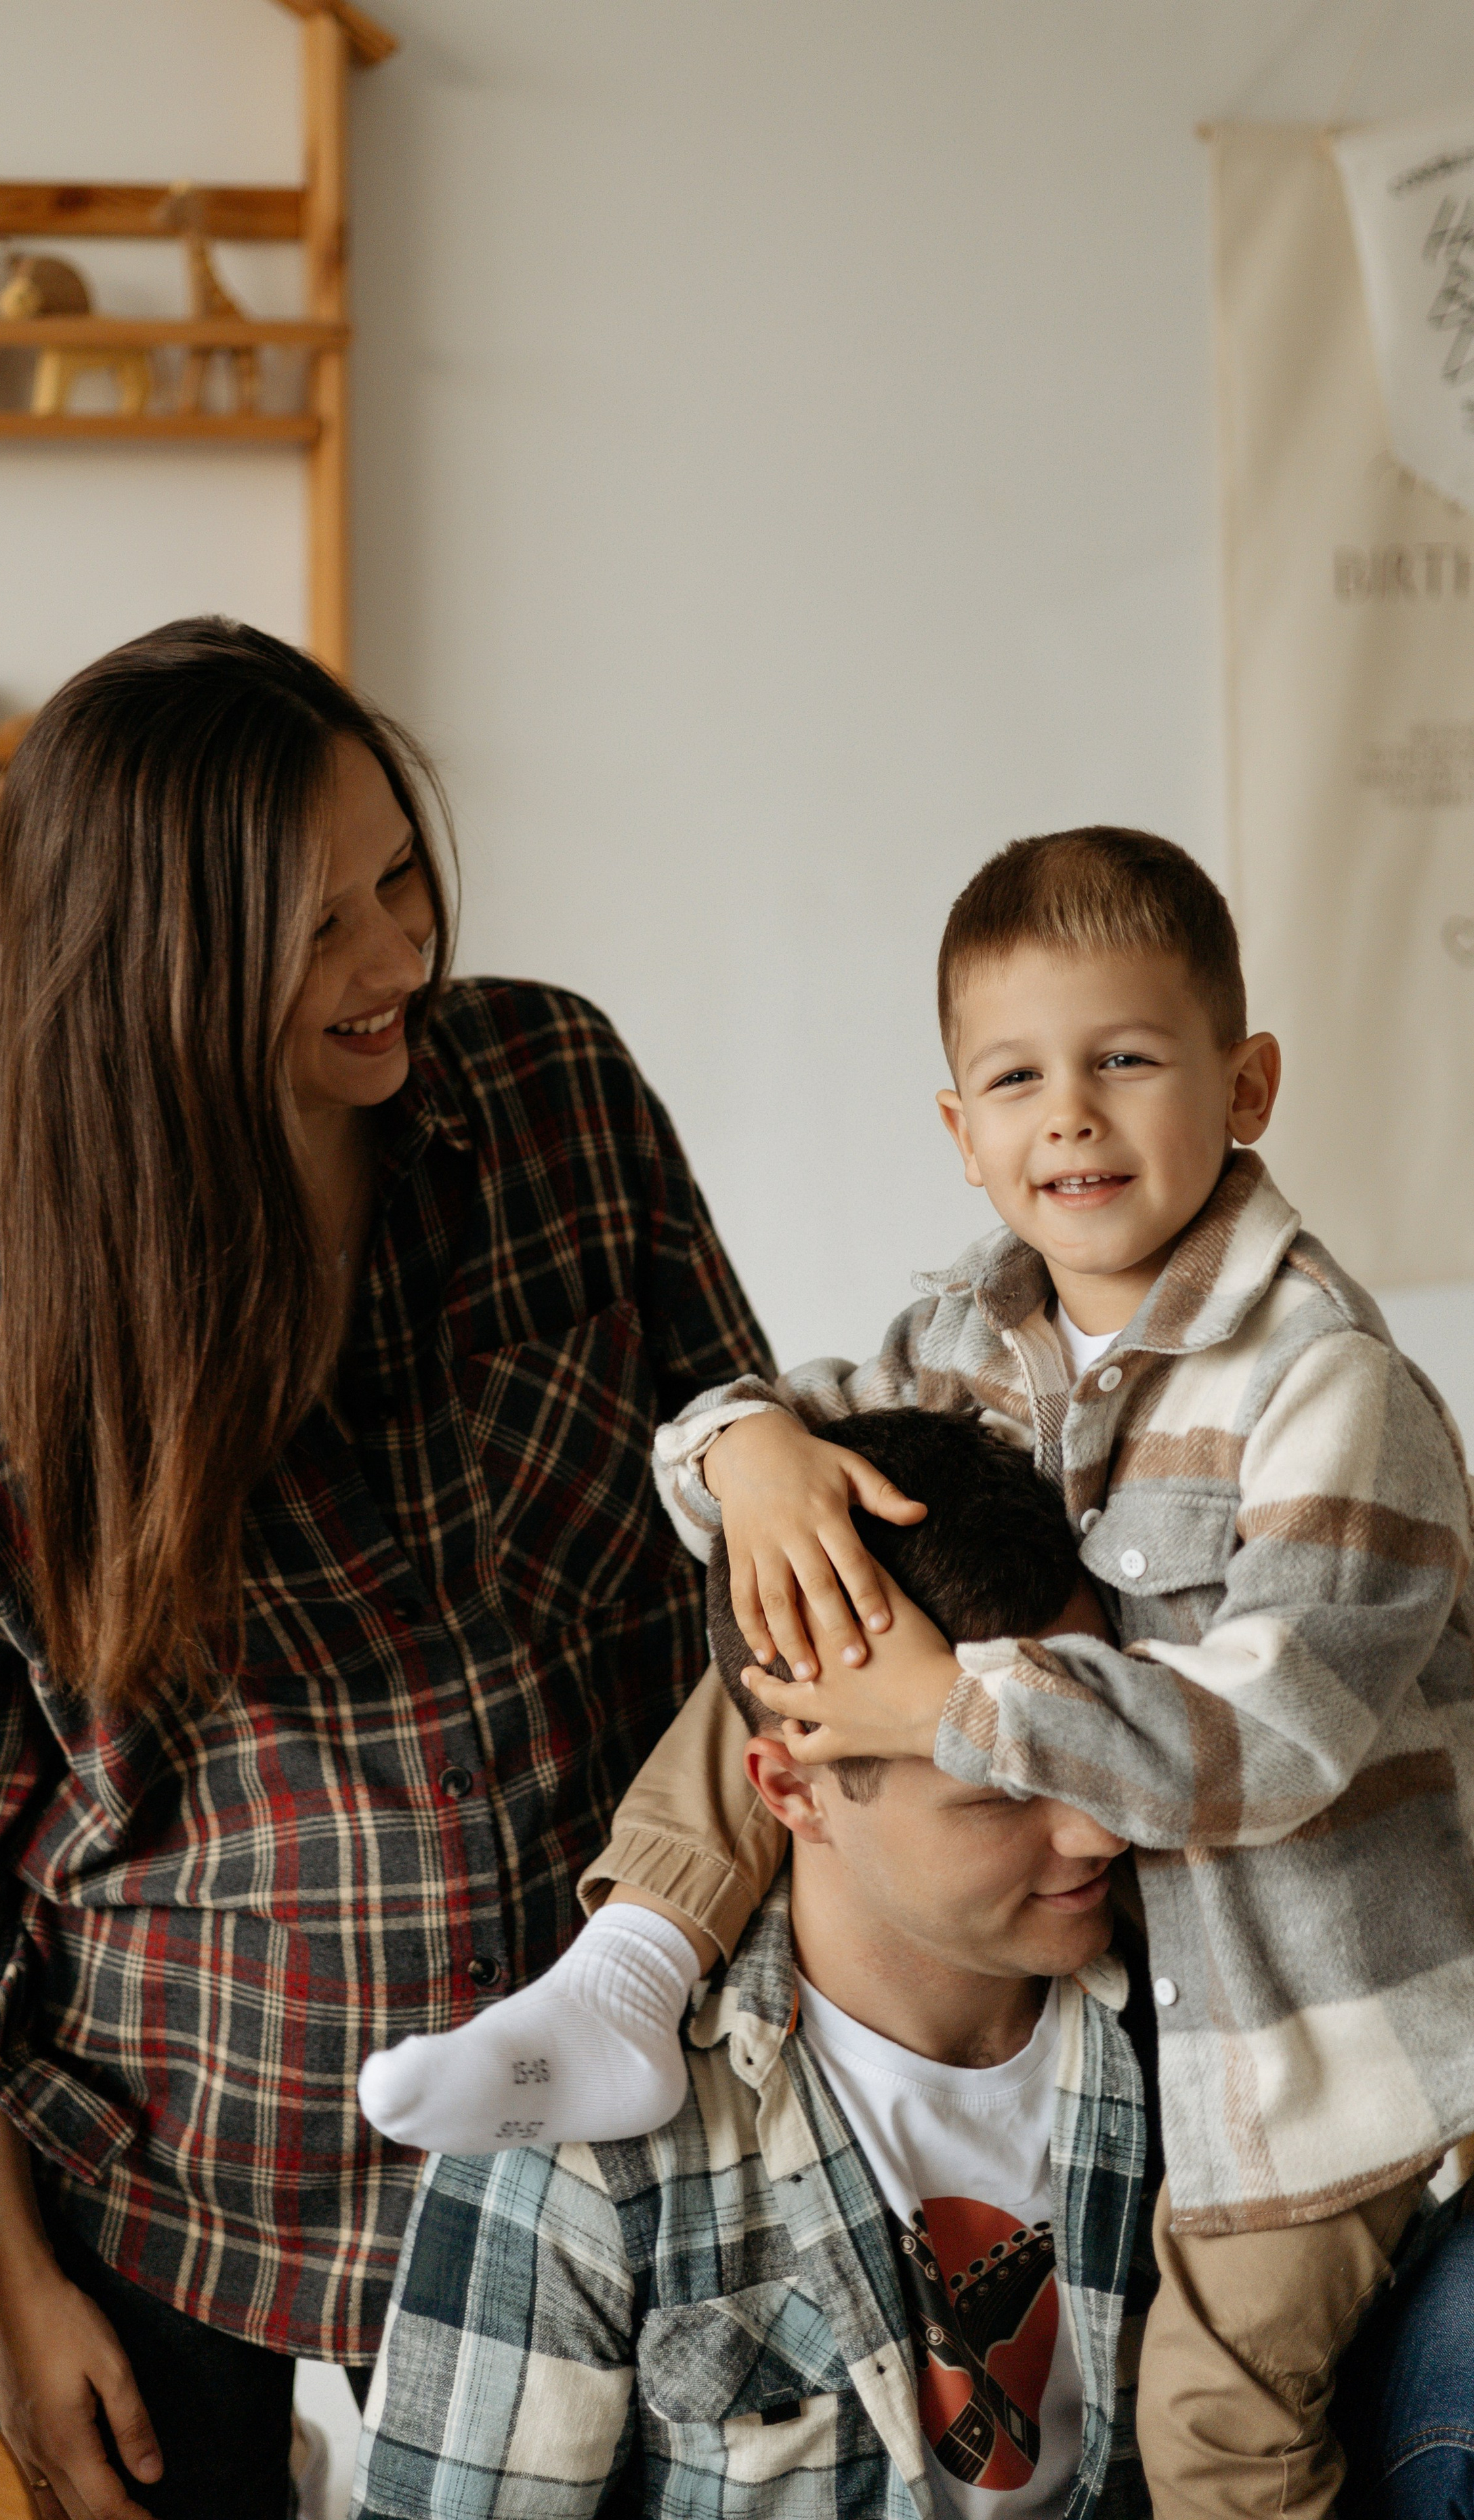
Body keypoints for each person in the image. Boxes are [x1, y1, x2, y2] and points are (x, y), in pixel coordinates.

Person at [362, 827, 1474, 2520]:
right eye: (1019, 1076)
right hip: (1140, 1936)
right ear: (960, 1134)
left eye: (1127, 1060)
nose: (1074, 1115)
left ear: (1247, 1084)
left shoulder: (1333, 1387)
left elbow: (1274, 1737)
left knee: (1219, 2428)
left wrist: (947, 1716)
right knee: (793, 1579)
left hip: (1295, 2036)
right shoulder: (975, 1337)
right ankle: (626, 1965)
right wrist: (746, 1458)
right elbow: (781, 1425)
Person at [0, 617, 772, 2520]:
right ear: (157, 967)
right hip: (172, 2171)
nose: (401, 957)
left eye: (401, 878)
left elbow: (750, 1509)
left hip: (598, 2124)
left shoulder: (554, 1098)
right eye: (318, 925)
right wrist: (8, 2289)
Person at [351, 1407, 1162, 2519]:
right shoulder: (582, 2154)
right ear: (790, 1790)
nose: (1099, 1833)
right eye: (1006, 1788)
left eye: (1093, 1750)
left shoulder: (1187, 2021)